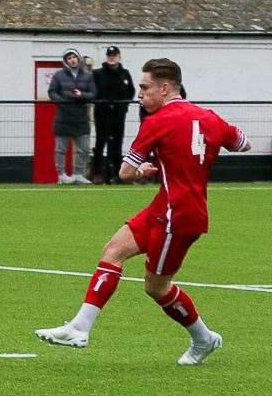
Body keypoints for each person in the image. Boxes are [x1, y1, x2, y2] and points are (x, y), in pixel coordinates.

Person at [35, 58, 251, 364]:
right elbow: (243, 144)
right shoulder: (210, 117)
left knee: (156, 286)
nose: (140, 94)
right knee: (113, 250)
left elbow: (125, 171)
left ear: (164, 89)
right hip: (165, 206)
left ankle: (204, 338)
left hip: (179, 216)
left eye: (145, 87)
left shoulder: (158, 121)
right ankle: (79, 328)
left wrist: (146, 170)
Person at [47, 48, 95, 184]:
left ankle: (78, 175)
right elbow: (52, 92)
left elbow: (93, 94)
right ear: (65, 61)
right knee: (61, 149)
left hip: (81, 118)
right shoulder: (58, 76)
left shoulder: (87, 76)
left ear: (78, 59)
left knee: (83, 149)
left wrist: (82, 95)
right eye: (69, 58)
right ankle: (61, 175)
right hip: (63, 117)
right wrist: (63, 100)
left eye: (74, 57)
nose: (72, 60)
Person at [92, 45, 136, 184]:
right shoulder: (97, 73)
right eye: (110, 56)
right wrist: (100, 102)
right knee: (100, 143)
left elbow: (131, 91)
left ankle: (117, 174)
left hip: (118, 114)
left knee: (117, 144)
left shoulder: (125, 73)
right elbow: (93, 92)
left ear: (119, 57)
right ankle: (97, 173)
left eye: (115, 55)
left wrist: (124, 105)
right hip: (102, 114)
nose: (112, 58)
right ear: (107, 57)